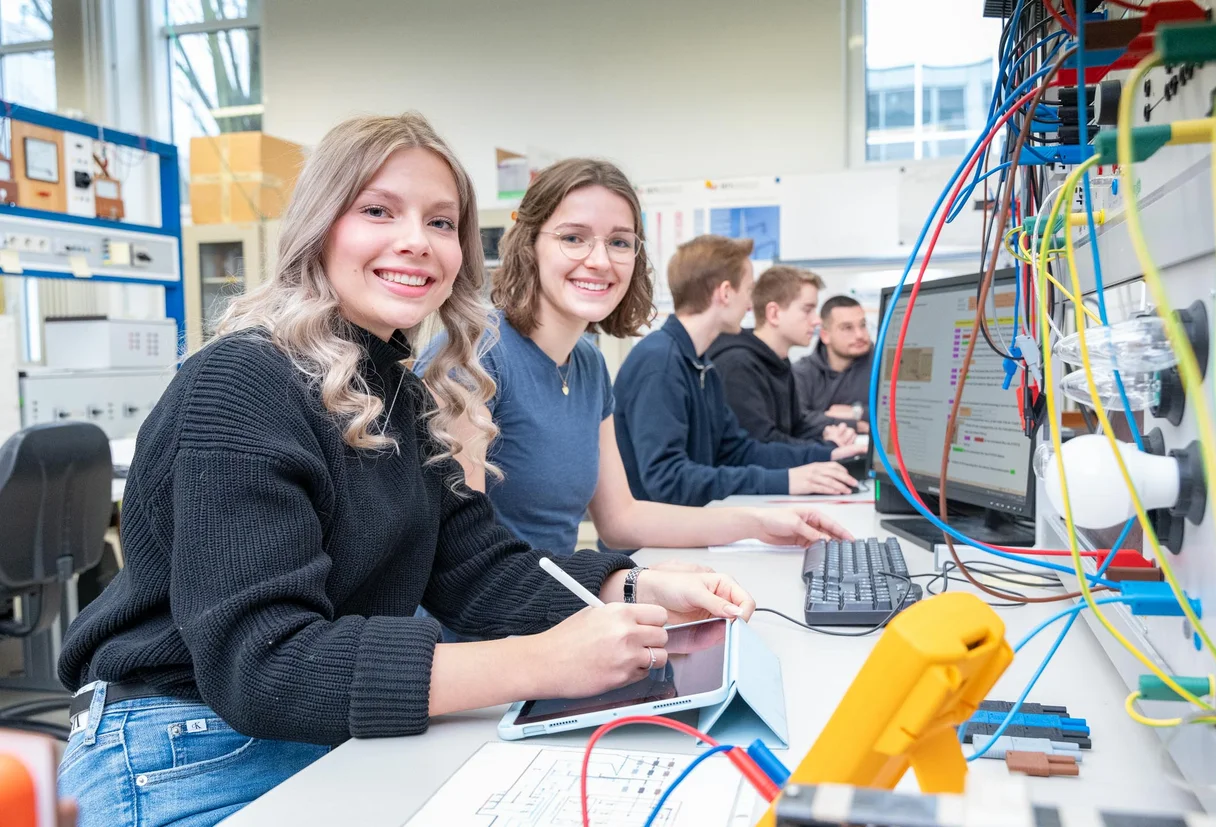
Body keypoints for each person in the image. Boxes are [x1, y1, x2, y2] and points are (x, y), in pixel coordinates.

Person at [55, 114, 754, 827]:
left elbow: (479, 565)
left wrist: (633, 582)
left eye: (442, 222)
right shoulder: (242, 380)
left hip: (306, 736)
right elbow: (263, 664)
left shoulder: (399, 391)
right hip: (176, 749)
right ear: (319, 225)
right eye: (378, 210)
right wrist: (540, 661)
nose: (417, 240)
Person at [417, 159, 851, 558]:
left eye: (620, 242)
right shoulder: (472, 358)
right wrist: (622, 590)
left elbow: (622, 520)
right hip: (485, 632)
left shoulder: (587, 364)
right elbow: (466, 556)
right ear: (529, 245)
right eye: (573, 238)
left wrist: (761, 523)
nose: (601, 260)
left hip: (557, 612)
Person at [612, 235, 868, 508]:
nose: (750, 304)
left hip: (690, 525)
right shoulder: (660, 363)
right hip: (649, 544)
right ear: (724, 293)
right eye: (748, 290)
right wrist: (788, 481)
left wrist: (826, 455)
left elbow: (738, 450)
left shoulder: (702, 365)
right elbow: (668, 480)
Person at [707, 265, 856, 448]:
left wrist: (827, 432)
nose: (817, 320)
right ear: (774, 314)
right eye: (807, 310)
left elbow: (795, 426)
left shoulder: (779, 361)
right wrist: (827, 448)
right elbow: (761, 444)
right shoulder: (738, 365)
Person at [793, 294, 875, 434]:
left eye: (862, 325)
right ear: (825, 336)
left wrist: (857, 412)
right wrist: (856, 425)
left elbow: (902, 411)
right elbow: (799, 420)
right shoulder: (802, 371)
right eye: (847, 328)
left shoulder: (883, 364)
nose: (860, 335)